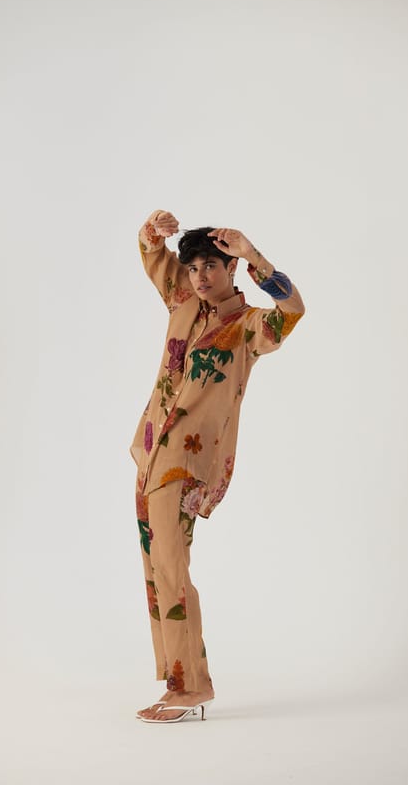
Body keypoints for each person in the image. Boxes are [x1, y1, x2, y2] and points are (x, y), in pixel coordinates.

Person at [131, 209, 305, 723]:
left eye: (210, 265)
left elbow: (293, 309)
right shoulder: (183, 302)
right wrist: (153, 228)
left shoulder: (249, 327)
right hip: (149, 453)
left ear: (230, 269)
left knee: (171, 568)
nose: (200, 276)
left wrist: (253, 255)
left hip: (186, 464)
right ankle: (177, 678)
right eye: (193, 267)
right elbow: (151, 254)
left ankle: (190, 687)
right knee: (157, 569)